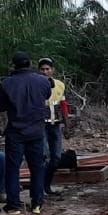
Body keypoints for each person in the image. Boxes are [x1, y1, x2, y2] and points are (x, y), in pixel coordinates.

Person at [0, 51, 52, 215]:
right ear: (30, 64)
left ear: (14, 65)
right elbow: (47, 95)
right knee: (37, 167)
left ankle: (14, 205)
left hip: (16, 132)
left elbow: (0, 107)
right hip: (36, 131)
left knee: (13, 168)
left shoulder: (7, 83)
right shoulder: (42, 81)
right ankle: (37, 203)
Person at [37, 57, 70, 194]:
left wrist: (67, 125)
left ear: (52, 70)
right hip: (41, 125)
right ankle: (40, 188)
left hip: (55, 125)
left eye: (47, 69)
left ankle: (47, 185)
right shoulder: (35, 84)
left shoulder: (59, 85)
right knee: (43, 156)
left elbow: (63, 106)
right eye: (42, 69)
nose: (45, 72)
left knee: (56, 157)